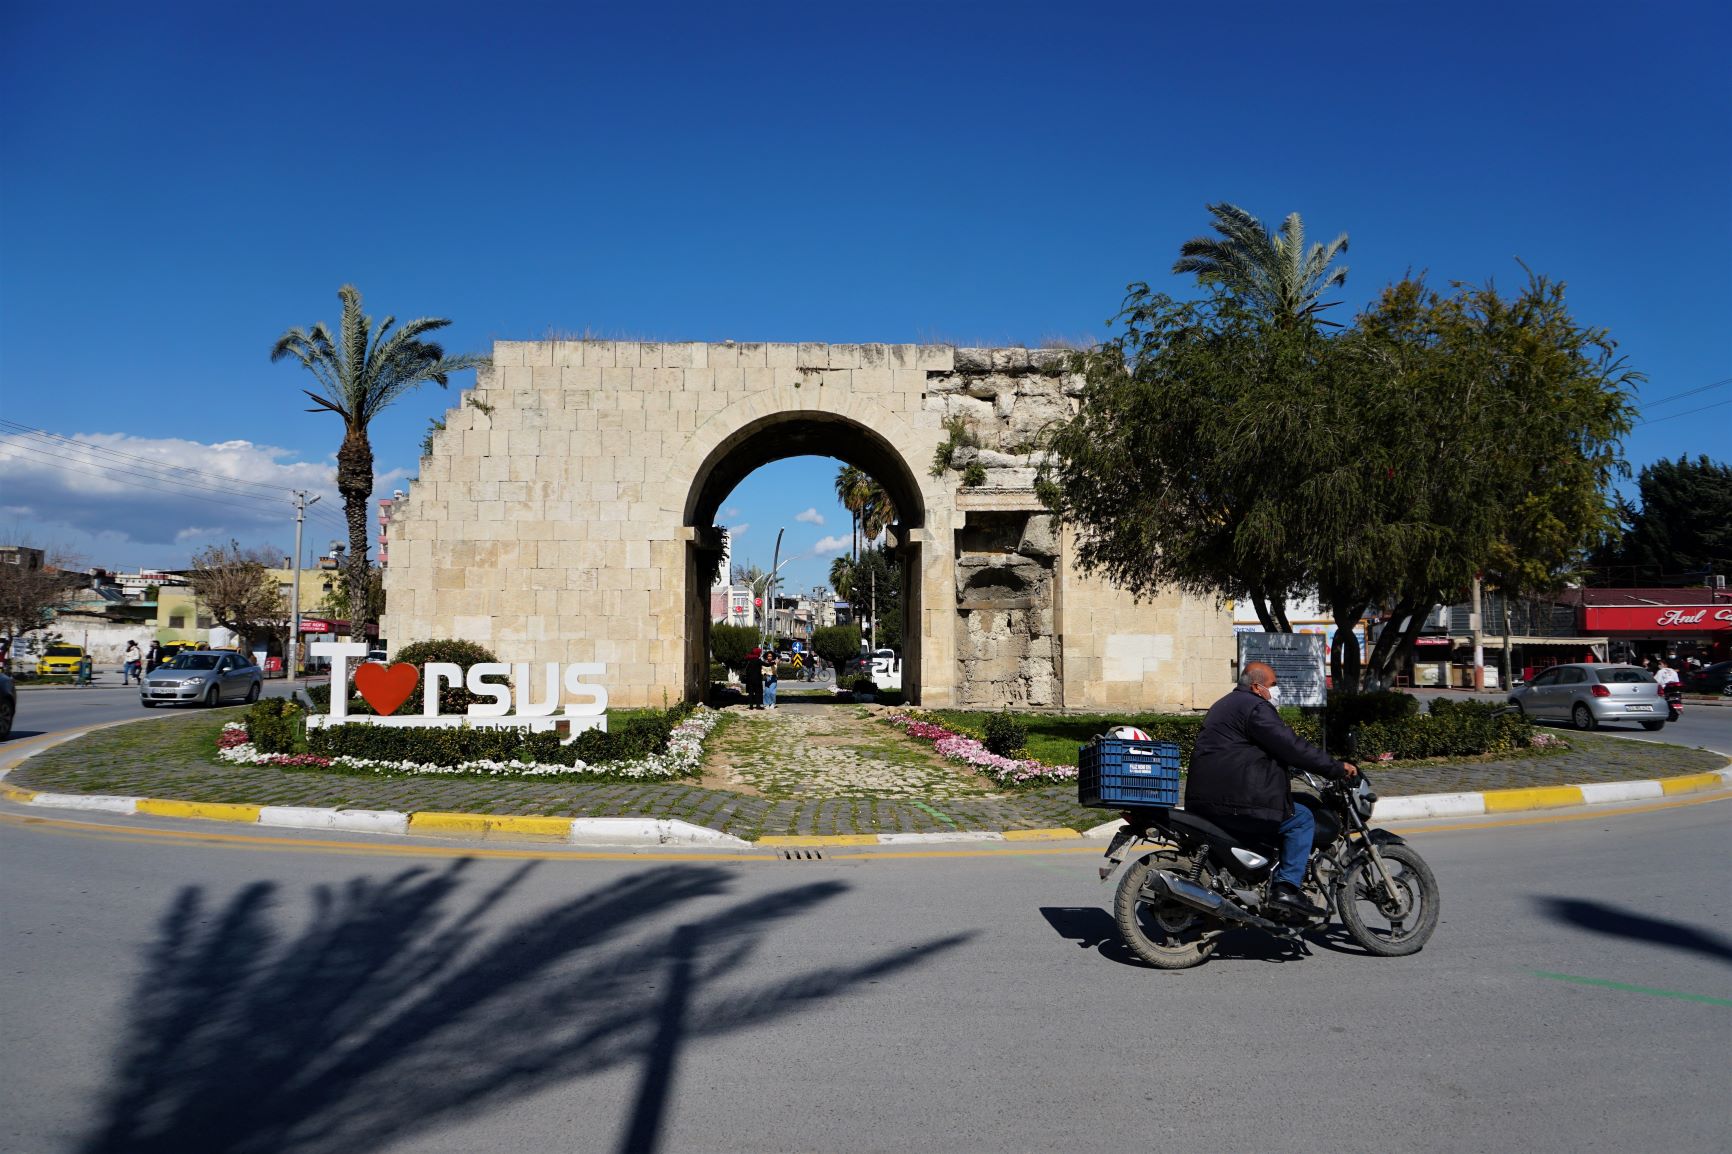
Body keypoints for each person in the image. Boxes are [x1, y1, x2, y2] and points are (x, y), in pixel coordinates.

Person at [1185, 661, 1357, 920]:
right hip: (1234, 799)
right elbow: (1291, 745)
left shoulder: (1225, 704)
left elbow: (1245, 750)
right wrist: (1334, 768)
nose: (1276, 691)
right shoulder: (1255, 707)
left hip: (1208, 797)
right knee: (1300, 819)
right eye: (1273, 685)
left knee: (1292, 803)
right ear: (1257, 687)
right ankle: (1286, 888)